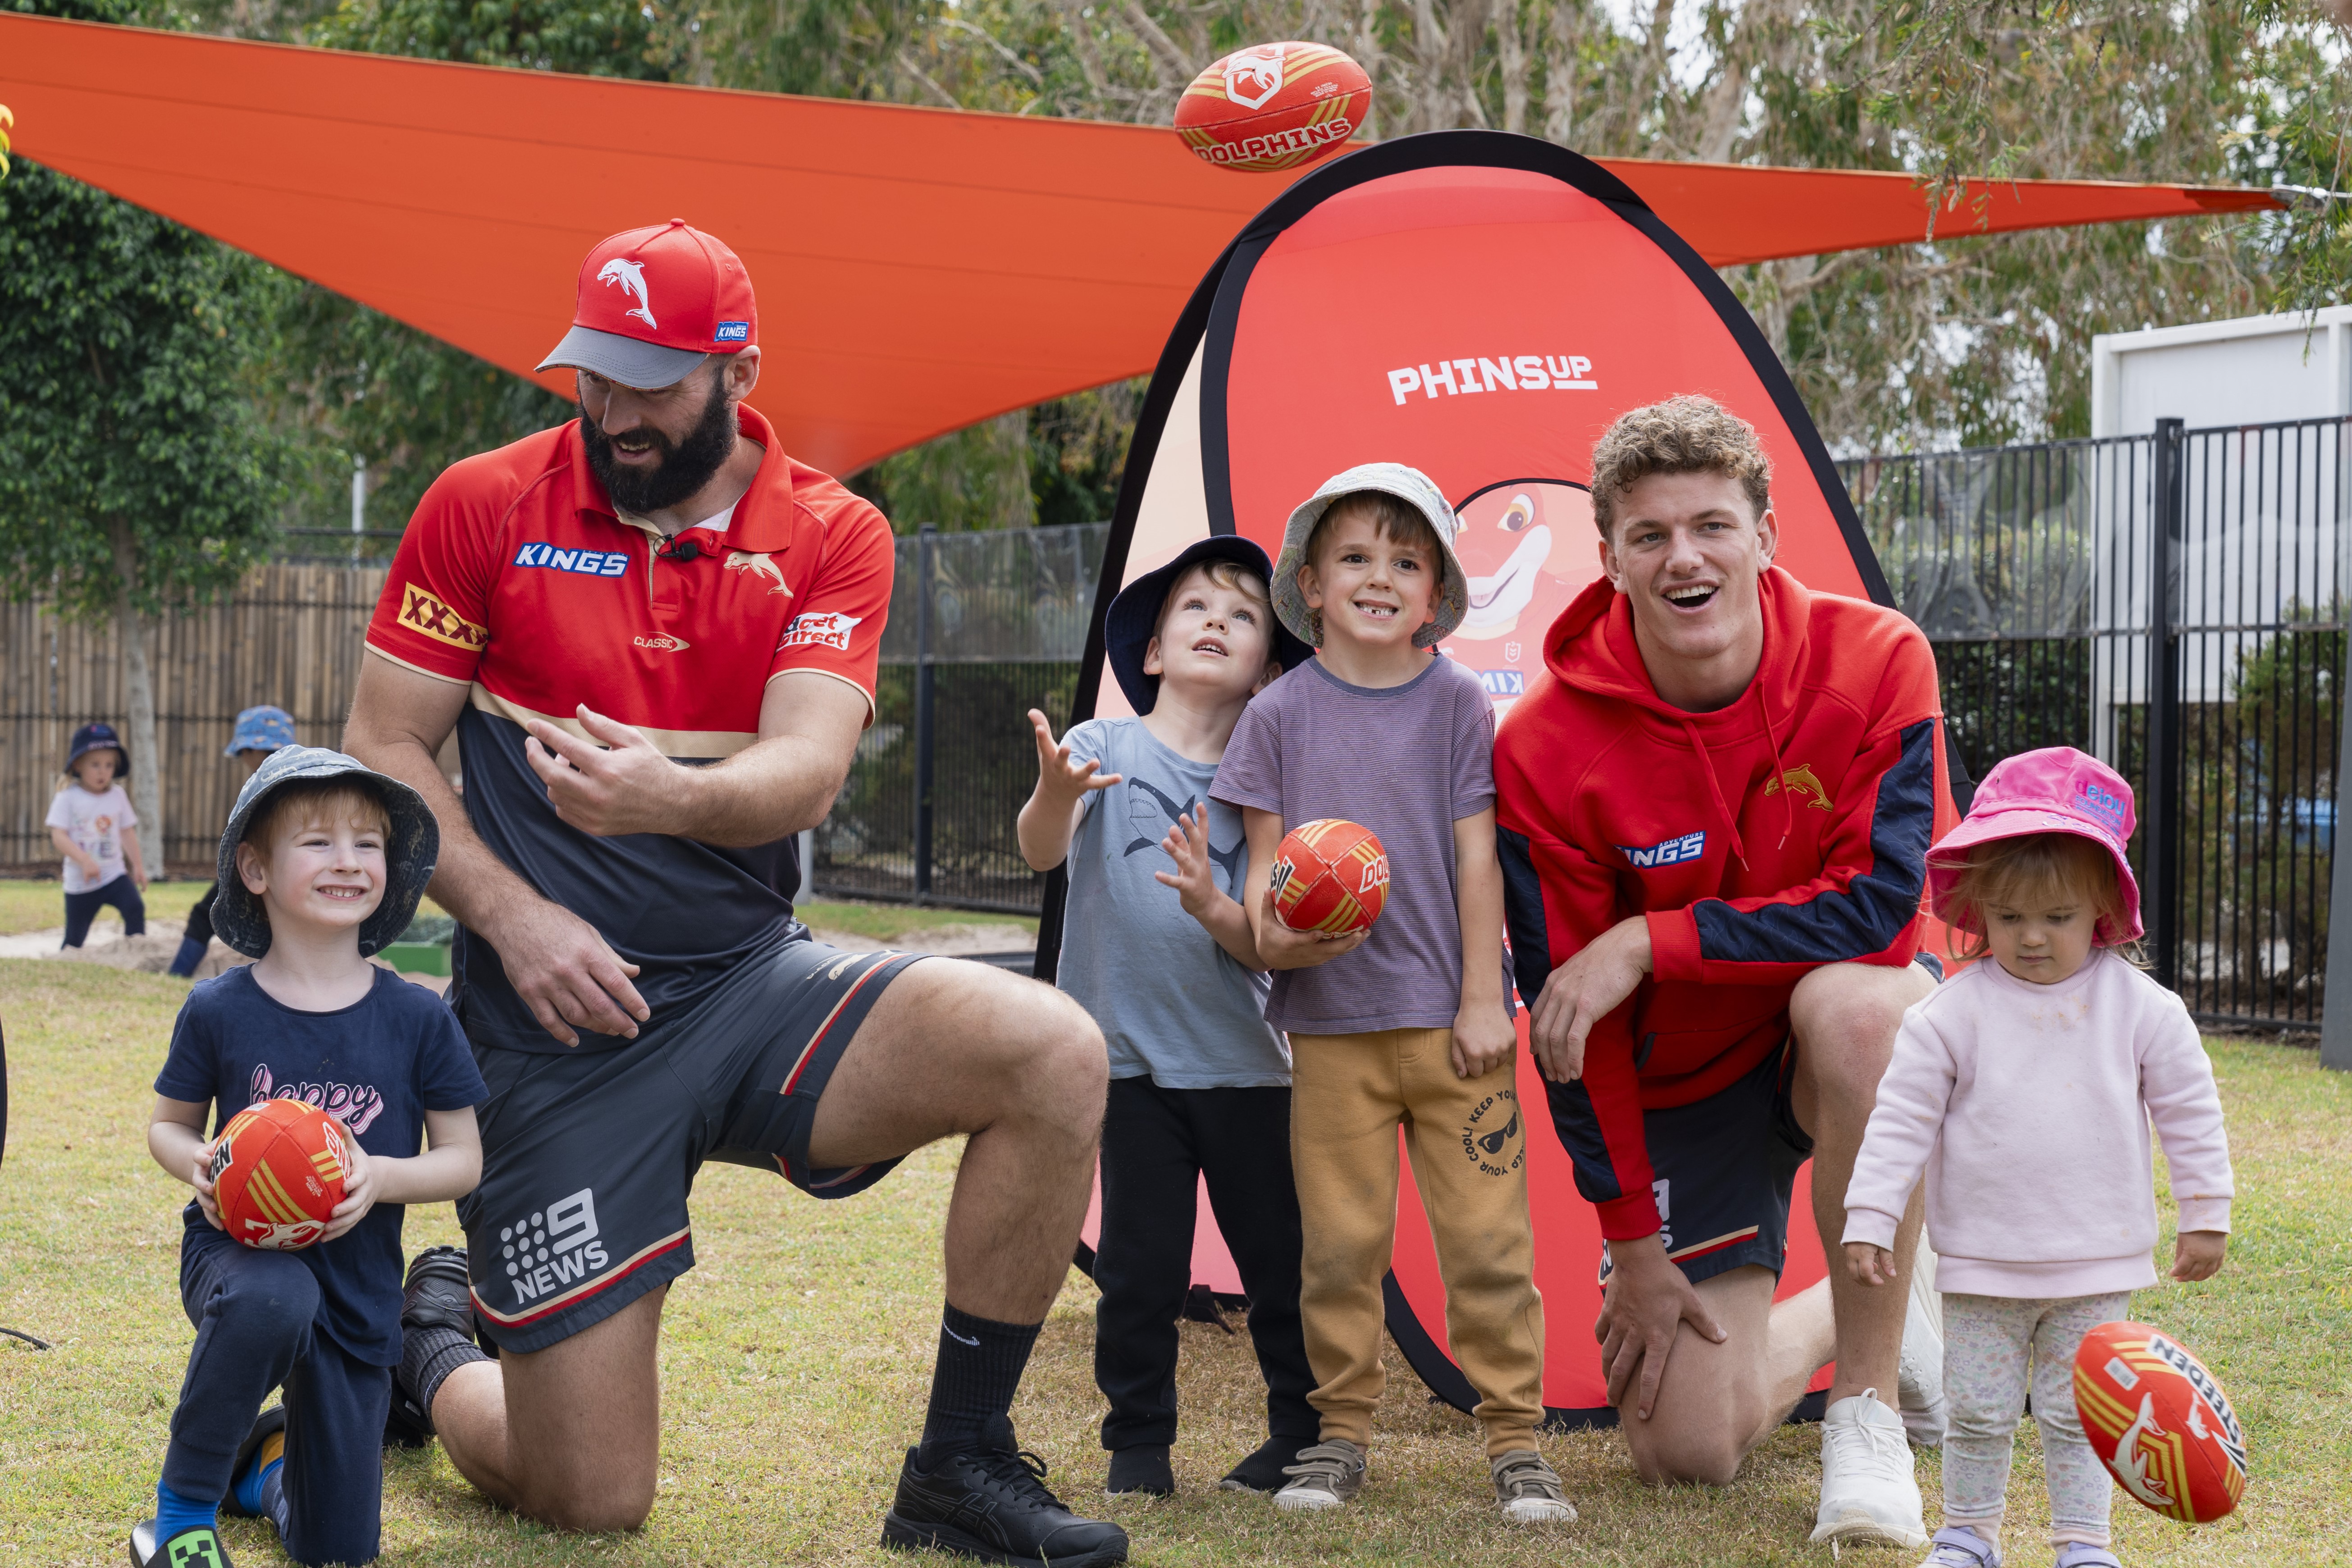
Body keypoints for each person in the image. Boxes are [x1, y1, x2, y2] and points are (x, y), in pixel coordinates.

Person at [340, 219, 1126, 1566]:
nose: (616, 409)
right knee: (588, 1496)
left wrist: (669, 798)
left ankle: (957, 1468)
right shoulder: (484, 500)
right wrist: (516, 917)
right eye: (596, 373)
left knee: (1049, 1048)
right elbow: (381, 742)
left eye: (653, 380)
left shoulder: (830, 531)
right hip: (551, 1041)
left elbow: (806, 769)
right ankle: (433, 1346)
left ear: (737, 370)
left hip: (752, 985)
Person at [1492, 395, 1958, 1545]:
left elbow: (1883, 915)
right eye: (1647, 536)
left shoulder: (1878, 657)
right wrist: (1630, 1250)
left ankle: (1862, 1416)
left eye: (1710, 525)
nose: (1682, 557)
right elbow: (1571, 1024)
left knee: (1868, 1009)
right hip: (1686, 1079)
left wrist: (1653, 938)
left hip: (1825, 1031)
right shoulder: (1542, 747)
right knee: (1684, 1450)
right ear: (1605, 559)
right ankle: (1896, 1334)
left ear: (1764, 536)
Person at [1209, 464, 1576, 1524]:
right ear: (1311, 586)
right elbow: (1265, 879)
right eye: (1355, 558)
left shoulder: (1457, 704)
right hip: (1327, 1039)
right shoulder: (1276, 715)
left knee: (1487, 1246)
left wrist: (1479, 1000)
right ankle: (1339, 1436)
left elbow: (1476, 863)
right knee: (1338, 1248)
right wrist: (1273, 934)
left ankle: (1514, 1440)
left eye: (1404, 561)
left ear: (1435, 596)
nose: (1379, 577)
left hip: (1450, 1034)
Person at [1843, 748, 2233, 1568]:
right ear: (1976, 904)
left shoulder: (2140, 1010)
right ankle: (1966, 1535)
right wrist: (1870, 1215)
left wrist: (2205, 1211)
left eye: (2055, 916)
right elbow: (1898, 1120)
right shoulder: (1951, 1014)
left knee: (2079, 1411)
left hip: (2095, 1263)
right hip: (1983, 1264)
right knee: (1976, 1410)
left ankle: (2083, 1544)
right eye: (2009, 915)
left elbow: (2188, 1108)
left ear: (2100, 906)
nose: (2029, 936)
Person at [135, 747, 486, 1568]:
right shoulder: (219, 1006)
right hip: (239, 1256)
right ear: (254, 868)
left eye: (368, 843)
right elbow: (168, 1126)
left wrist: (381, 1175)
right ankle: (182, 1510)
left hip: (361, 1290)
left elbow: (463, 1157)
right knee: (274, 1294)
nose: (348, 860)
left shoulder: (417, 1016)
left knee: (338, 1550)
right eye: (319, 841)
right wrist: (201, 1163)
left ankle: (262, 1473)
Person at [1019, 536, 1318, 1498]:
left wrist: (1208, 900)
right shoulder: (1101, 745)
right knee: (1139, 1269)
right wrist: (1054, 794)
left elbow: (1264, 942)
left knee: (1280, 1264)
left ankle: (1300, 1433)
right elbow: (1037, 850)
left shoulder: (1264, 782)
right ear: (1151, 650)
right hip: (1129, 1068)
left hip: (1244, 1068)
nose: (1216, 622)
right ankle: (1136, 1446)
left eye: (1241, 616)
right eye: (1196, 607)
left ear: (1267, 670)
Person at [171, 706, 299, 978]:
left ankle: (177, 974)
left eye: (243, 753)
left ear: (253, 750)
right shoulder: (297, 781)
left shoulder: (267, 783)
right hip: (292, 866)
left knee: (202, 915)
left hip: (258, 864)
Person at [48, 721, 147, 948]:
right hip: (82, 882)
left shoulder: (118, 796)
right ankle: (68, 963)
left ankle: (136, 952)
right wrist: (84, 861)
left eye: (109, 765)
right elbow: (58, 836)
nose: (103, 771)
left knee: (135, 907)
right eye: (95, 764)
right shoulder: (67, 798)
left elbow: (126, 831)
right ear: (78, 765)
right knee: (75, 938)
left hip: (114, 874)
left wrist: (138, 866)